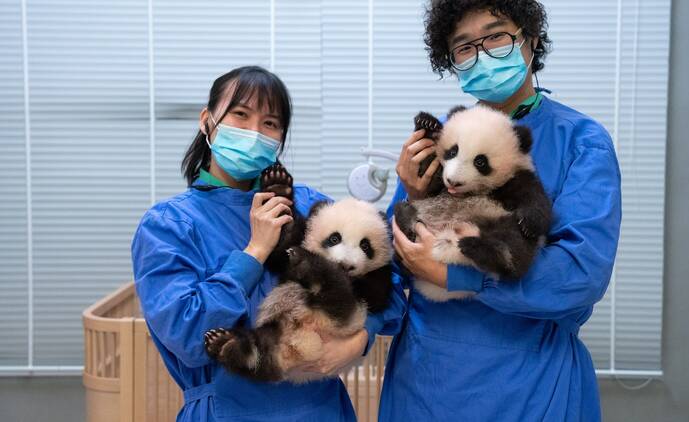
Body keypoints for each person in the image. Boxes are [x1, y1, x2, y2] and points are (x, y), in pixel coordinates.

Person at [375, 1, 622, 420]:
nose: (482, 53)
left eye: (496, 36)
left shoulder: (581, 141)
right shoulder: (442, 140)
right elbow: (390, 264)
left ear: (530, 40)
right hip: (427, 381)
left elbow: (579, 275)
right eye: (465, 46)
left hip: (530, 382)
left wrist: (458, 274)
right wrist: (412, 199)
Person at [131, 66, 369, 422]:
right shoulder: (168, 225)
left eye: (270, 124)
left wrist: (358, 341)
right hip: (226, 411)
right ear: (207, 120)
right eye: (240, 115)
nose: (254, 133)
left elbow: (384, 285)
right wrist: (254, 252)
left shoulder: (308, 205)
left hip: (322, 407)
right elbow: (188, 337)